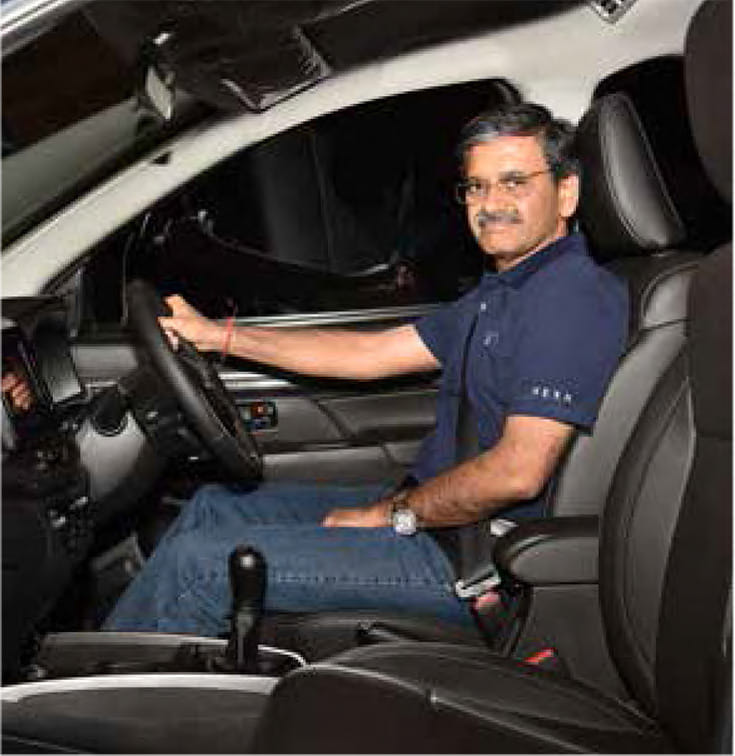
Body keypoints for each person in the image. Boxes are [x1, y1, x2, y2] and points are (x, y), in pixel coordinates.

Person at [104, 102, 628, 634]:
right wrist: (220, 336)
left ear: (566, 193)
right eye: (476, 186)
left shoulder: (572, 298)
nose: (490, 204)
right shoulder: (508, 290)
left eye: (514, 182)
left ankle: (99, 684)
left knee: (198, 567)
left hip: (474, 559)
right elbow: (368, 354)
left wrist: (392, 516)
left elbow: (517, 472)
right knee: (214, 508)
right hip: (439, 520)